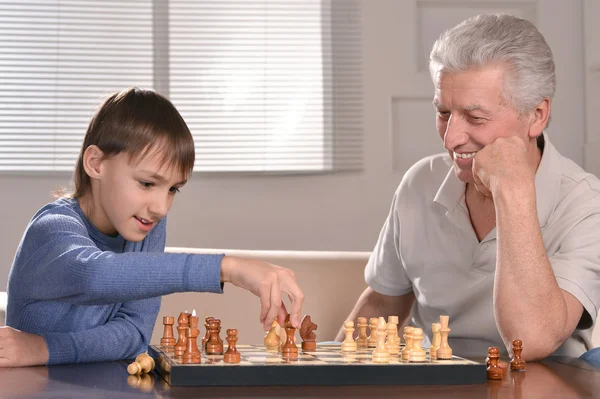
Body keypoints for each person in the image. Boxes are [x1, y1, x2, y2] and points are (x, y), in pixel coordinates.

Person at [336, 13, 600, 361]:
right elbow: (384, 299)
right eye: (444, 112)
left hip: (540, 385)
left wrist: (513, 191)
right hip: (439, 383)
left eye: (476, 117)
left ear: (536, 115)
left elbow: (531, 341)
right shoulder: (420, 183)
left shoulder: (585, 205)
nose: (451, 138)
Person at [0, 88, 304, 367]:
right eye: (147, 183)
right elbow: (94, 276)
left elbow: (134, 332)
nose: (161, 207)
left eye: (173, 189)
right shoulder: (51, 229)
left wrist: (45, 349)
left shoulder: (143, 223)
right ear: (96, 163)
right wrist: (229, 267)